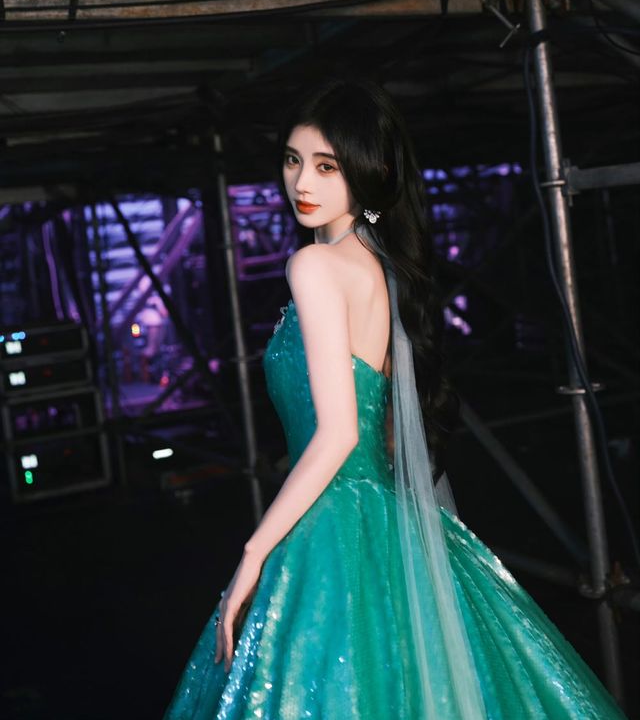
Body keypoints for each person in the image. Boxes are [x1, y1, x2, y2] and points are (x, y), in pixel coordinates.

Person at [162, 78, 627, 719]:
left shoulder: (315, 267)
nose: (302, 182)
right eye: (293, 160)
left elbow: (340, 433)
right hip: (385, 520)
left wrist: (253, 552)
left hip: (331, 526)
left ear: (370, 172)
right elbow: (372, 422)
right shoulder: (376, 261)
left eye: (327, 166)